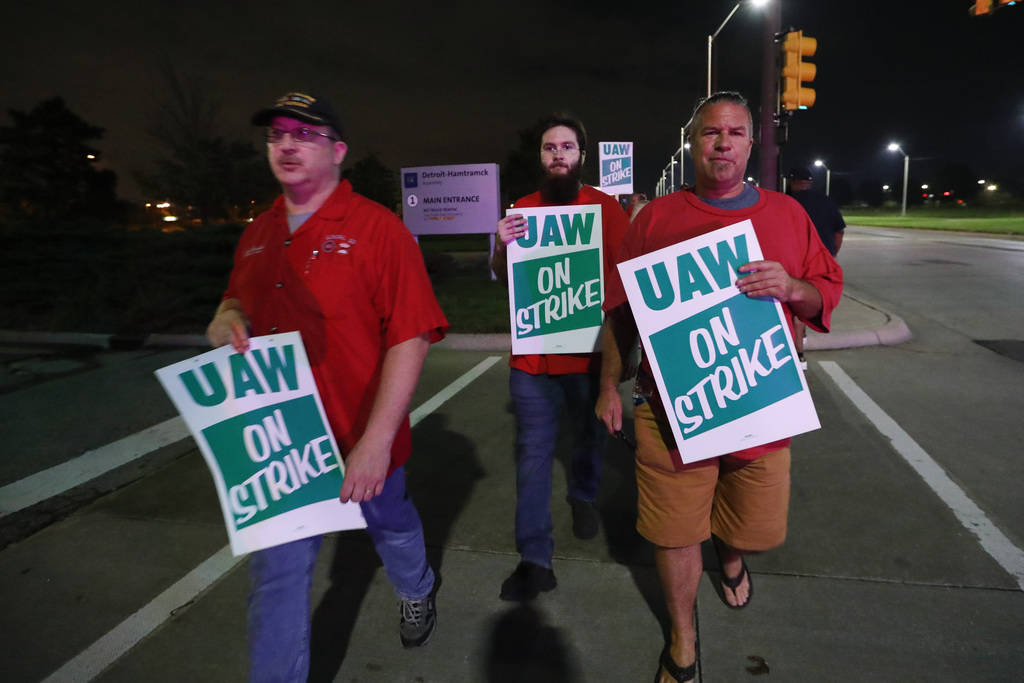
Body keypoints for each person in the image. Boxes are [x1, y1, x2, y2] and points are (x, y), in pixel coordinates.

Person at [595, 92, 842, 683]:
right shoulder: (653, 219)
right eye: (710, 133)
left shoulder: (786, 214)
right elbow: (622, 315)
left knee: (755, 527)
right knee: (674, 532)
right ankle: (682, 643)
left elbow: (824, 293)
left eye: (734, 133)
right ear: (694, 143)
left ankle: (730, 554)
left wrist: (792, 286)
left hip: (759, 400)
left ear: (751, 144)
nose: (722, 143)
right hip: (669, 409)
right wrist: (608, 383)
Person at [206, 91, 448, 682]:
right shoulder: (258, 233)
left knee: (390, 521)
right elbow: (236, 298)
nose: (286, 143)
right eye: (277, 134)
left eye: (305, 133)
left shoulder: (378, 230)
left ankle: (416, 586)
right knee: (278, 576)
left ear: (338, 151)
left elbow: (411, 336)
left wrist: (375, 440)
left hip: (360, 433)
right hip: (283, 446)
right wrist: (225, 316)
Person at [490, 113, 630, 601]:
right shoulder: (523, 210)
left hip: (588, 358)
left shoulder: (606, 209)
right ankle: (534, 558)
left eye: (566, 147)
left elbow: (620, 284)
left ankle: (583, 494)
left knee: (589, 437)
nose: (557, 155)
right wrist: (499, 245)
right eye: (549, 147)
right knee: (531, 454)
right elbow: (506, 278)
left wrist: (614, 365)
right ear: (541, 156)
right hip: (532, 362)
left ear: (580, 157)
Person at [786, 166, 846, 368]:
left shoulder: (788, 202)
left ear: (793, 182)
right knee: (810, 302)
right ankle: (801, 344)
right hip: (821, 261)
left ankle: (798, 354)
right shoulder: (826, 201)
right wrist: (832, 255)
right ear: (810, 182)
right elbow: (839, 231)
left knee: (796, 302)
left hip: (797, 258)